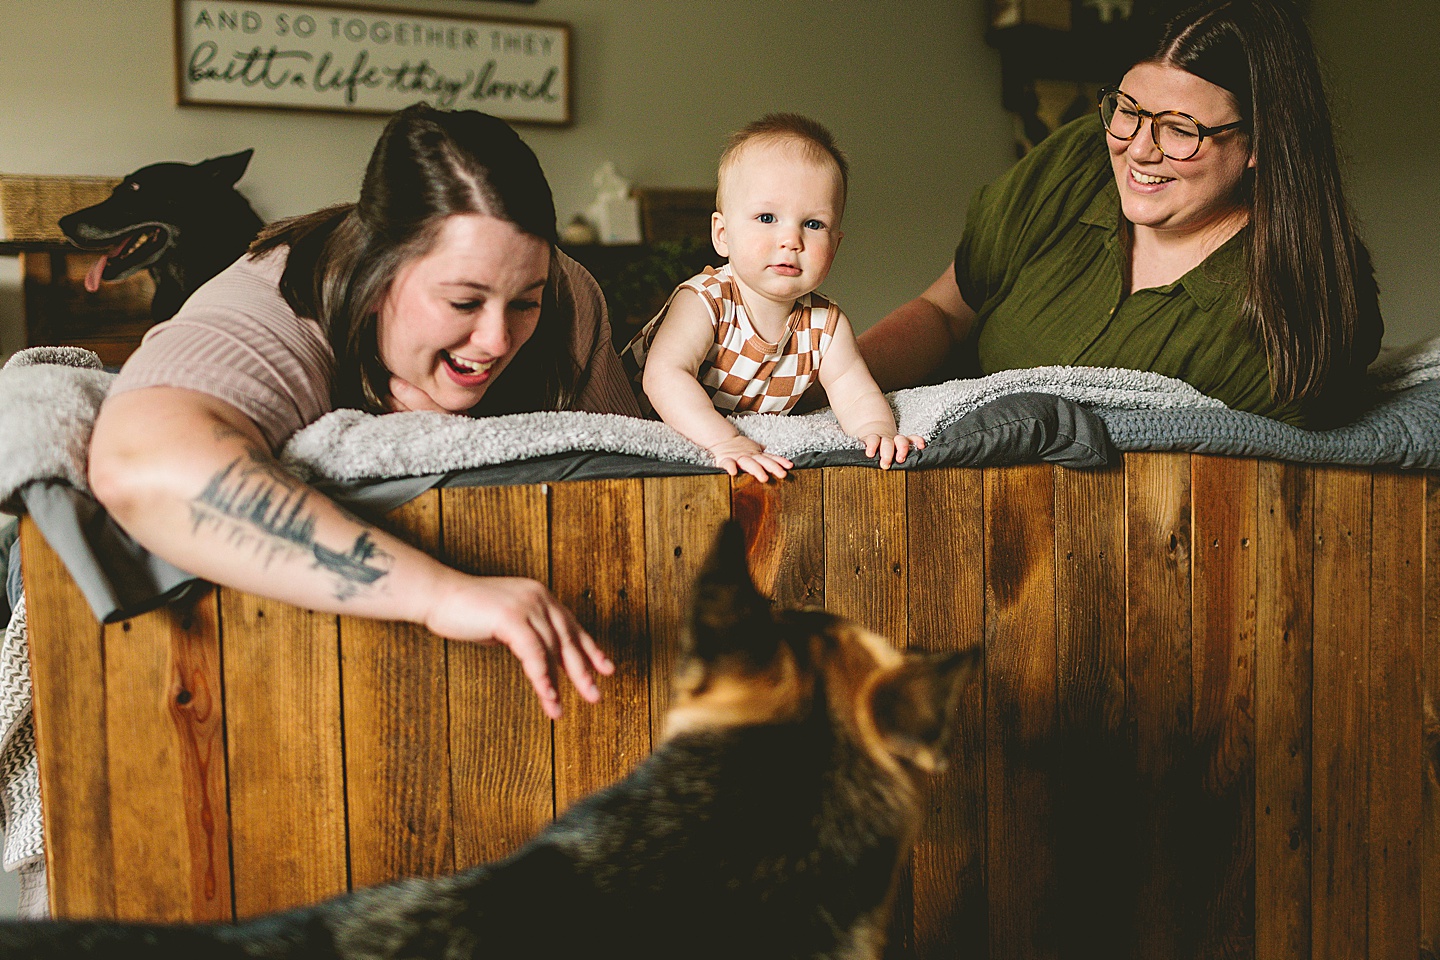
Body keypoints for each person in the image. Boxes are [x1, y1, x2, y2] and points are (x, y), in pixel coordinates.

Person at [87, 103, 642, 719]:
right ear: (374, 275)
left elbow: (638, 467)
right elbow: (140, 466)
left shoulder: (568, 292)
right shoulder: (275, 297)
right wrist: (438, 594)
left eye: (523, 304)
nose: (497, 340)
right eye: (463, 302)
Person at [855, 0, 1381, 428]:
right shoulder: (1077, 162)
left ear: (1261, 141)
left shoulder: (1307, 297)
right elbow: (944, 315)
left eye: (1180, 130)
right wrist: (829, 383)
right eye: (1128, 111)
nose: (1138, 150)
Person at [623, 114, 923, 482]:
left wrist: (879, 433)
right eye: (767, 217)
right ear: (722, 234)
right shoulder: (706, 299)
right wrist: (724, 440)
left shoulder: (824, 326)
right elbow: (664, 377)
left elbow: (855, 393)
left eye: (813, 224)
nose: (791, 240)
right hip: (640, 415)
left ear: (835, 244)